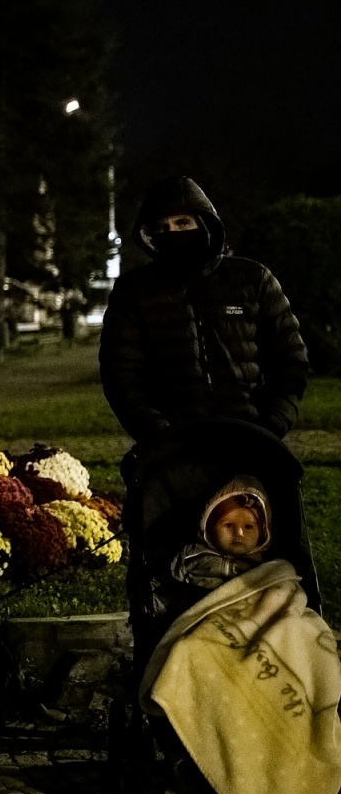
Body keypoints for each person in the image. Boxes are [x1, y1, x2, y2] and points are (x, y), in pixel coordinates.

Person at [100, 176, 308, 443]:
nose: (173, 232)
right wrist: (159, 435)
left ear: (205, 223)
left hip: (252, 439)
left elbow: (290, 359)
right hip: (173, 446)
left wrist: (271, 426)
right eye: (162, 227)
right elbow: (121, 375)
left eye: (183, 222)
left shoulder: (253, 279)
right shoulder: (134, 291)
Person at [165, 476, 270, 598]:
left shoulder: (264, 566)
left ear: (262, 532)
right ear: (210, 528)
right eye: (229, 525)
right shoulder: (192, 555)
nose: (239, 533)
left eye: (248, 527)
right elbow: (168, 587)